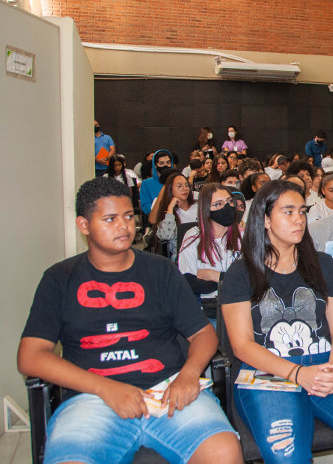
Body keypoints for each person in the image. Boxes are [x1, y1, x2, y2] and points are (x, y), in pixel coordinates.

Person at [17, 177, 241, 464]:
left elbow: (203, 335)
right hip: (93, 398)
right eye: (110, 219)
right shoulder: (59, 278)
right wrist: (105, 387)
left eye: (127, 216)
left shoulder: (160, 270)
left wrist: (188, 374)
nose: (124, 226)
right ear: (83, 225)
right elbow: (31, 356)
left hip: (167, 391)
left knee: (224, 451)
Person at [219, 180, 333, 463]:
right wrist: (300, 375)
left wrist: (332, 369)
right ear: (264, 219)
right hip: (267, 372)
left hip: (324, 363)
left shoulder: (323, 264)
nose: (299, 220)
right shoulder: (241, 273)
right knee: (289, 456)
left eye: (301, 211)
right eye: (288, 212)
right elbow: (241, 345)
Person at [179, 183, 242, 322]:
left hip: (241, 306)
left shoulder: (243, 236)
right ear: (206, 209)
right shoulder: (193, 237)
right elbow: (189, 282)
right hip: (208, 309)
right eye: (218, 204)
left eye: (229, 202)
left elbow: (253, 278)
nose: (227, 207)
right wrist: (231, 280)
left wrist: (215, 276)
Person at [150, 172, 198, 260]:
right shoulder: (168, 212)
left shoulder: (198, 205)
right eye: (179, 186)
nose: (184, 189)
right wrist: (170, 208)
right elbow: (165, 236)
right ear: (170, 189)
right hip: (181, 256)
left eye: (186, 185)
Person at [139, 149, 174, 216]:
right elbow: (145, 207)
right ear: (155, 165)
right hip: (157, 217)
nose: (165, 165)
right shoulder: (146, 183)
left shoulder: (176, 179)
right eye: (161, 163)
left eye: (168, 162)